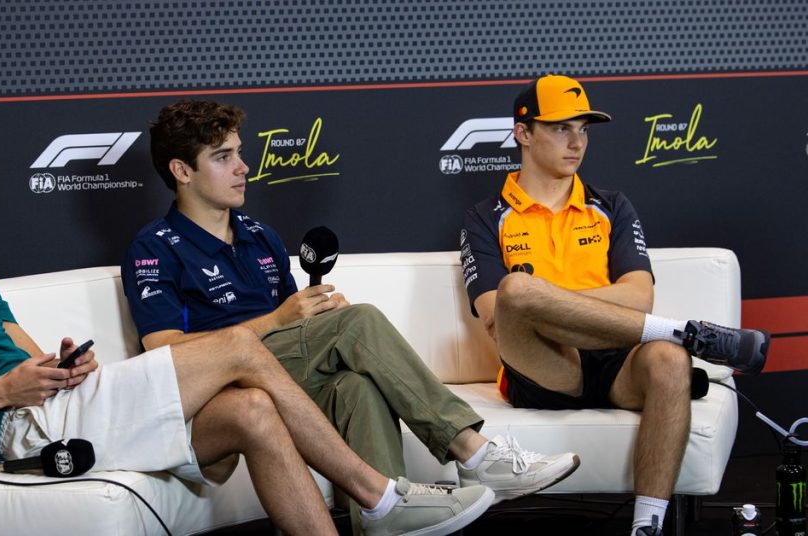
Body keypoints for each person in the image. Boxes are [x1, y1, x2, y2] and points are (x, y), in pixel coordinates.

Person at [0, 132, 497, 536]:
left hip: (59, 407)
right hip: (18, 435)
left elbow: (25, 354)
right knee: (240, 347)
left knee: (252, 411)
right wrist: (4, 391)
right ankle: (379, 496)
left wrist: (60, 367)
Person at [123, 100, 581, 528]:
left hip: (280, 376)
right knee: (357, 323)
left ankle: (384, 525)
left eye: (240, 153)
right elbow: (163, 352)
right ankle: (474, 453)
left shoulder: (260, 235)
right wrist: (280, 321)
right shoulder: (154, 246)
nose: (243, 167)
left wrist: (316, 318)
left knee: (358, 386)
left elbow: (293, 331)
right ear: (182, 171)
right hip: (221, 388)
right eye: (223, 158)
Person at [458, 74, 770, 536]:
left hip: (618, 357)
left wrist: (554, 305)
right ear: (523, 133)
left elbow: (639, 295)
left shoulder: (612, 205)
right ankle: (684, 330)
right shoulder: (485, 217)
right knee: (516, 291)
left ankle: (648, 524)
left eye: (583, 130)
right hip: (544, 368)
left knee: (670, 359)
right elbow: (496, 315)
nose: (577, 142)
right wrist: (553, 306)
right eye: (561, 128)